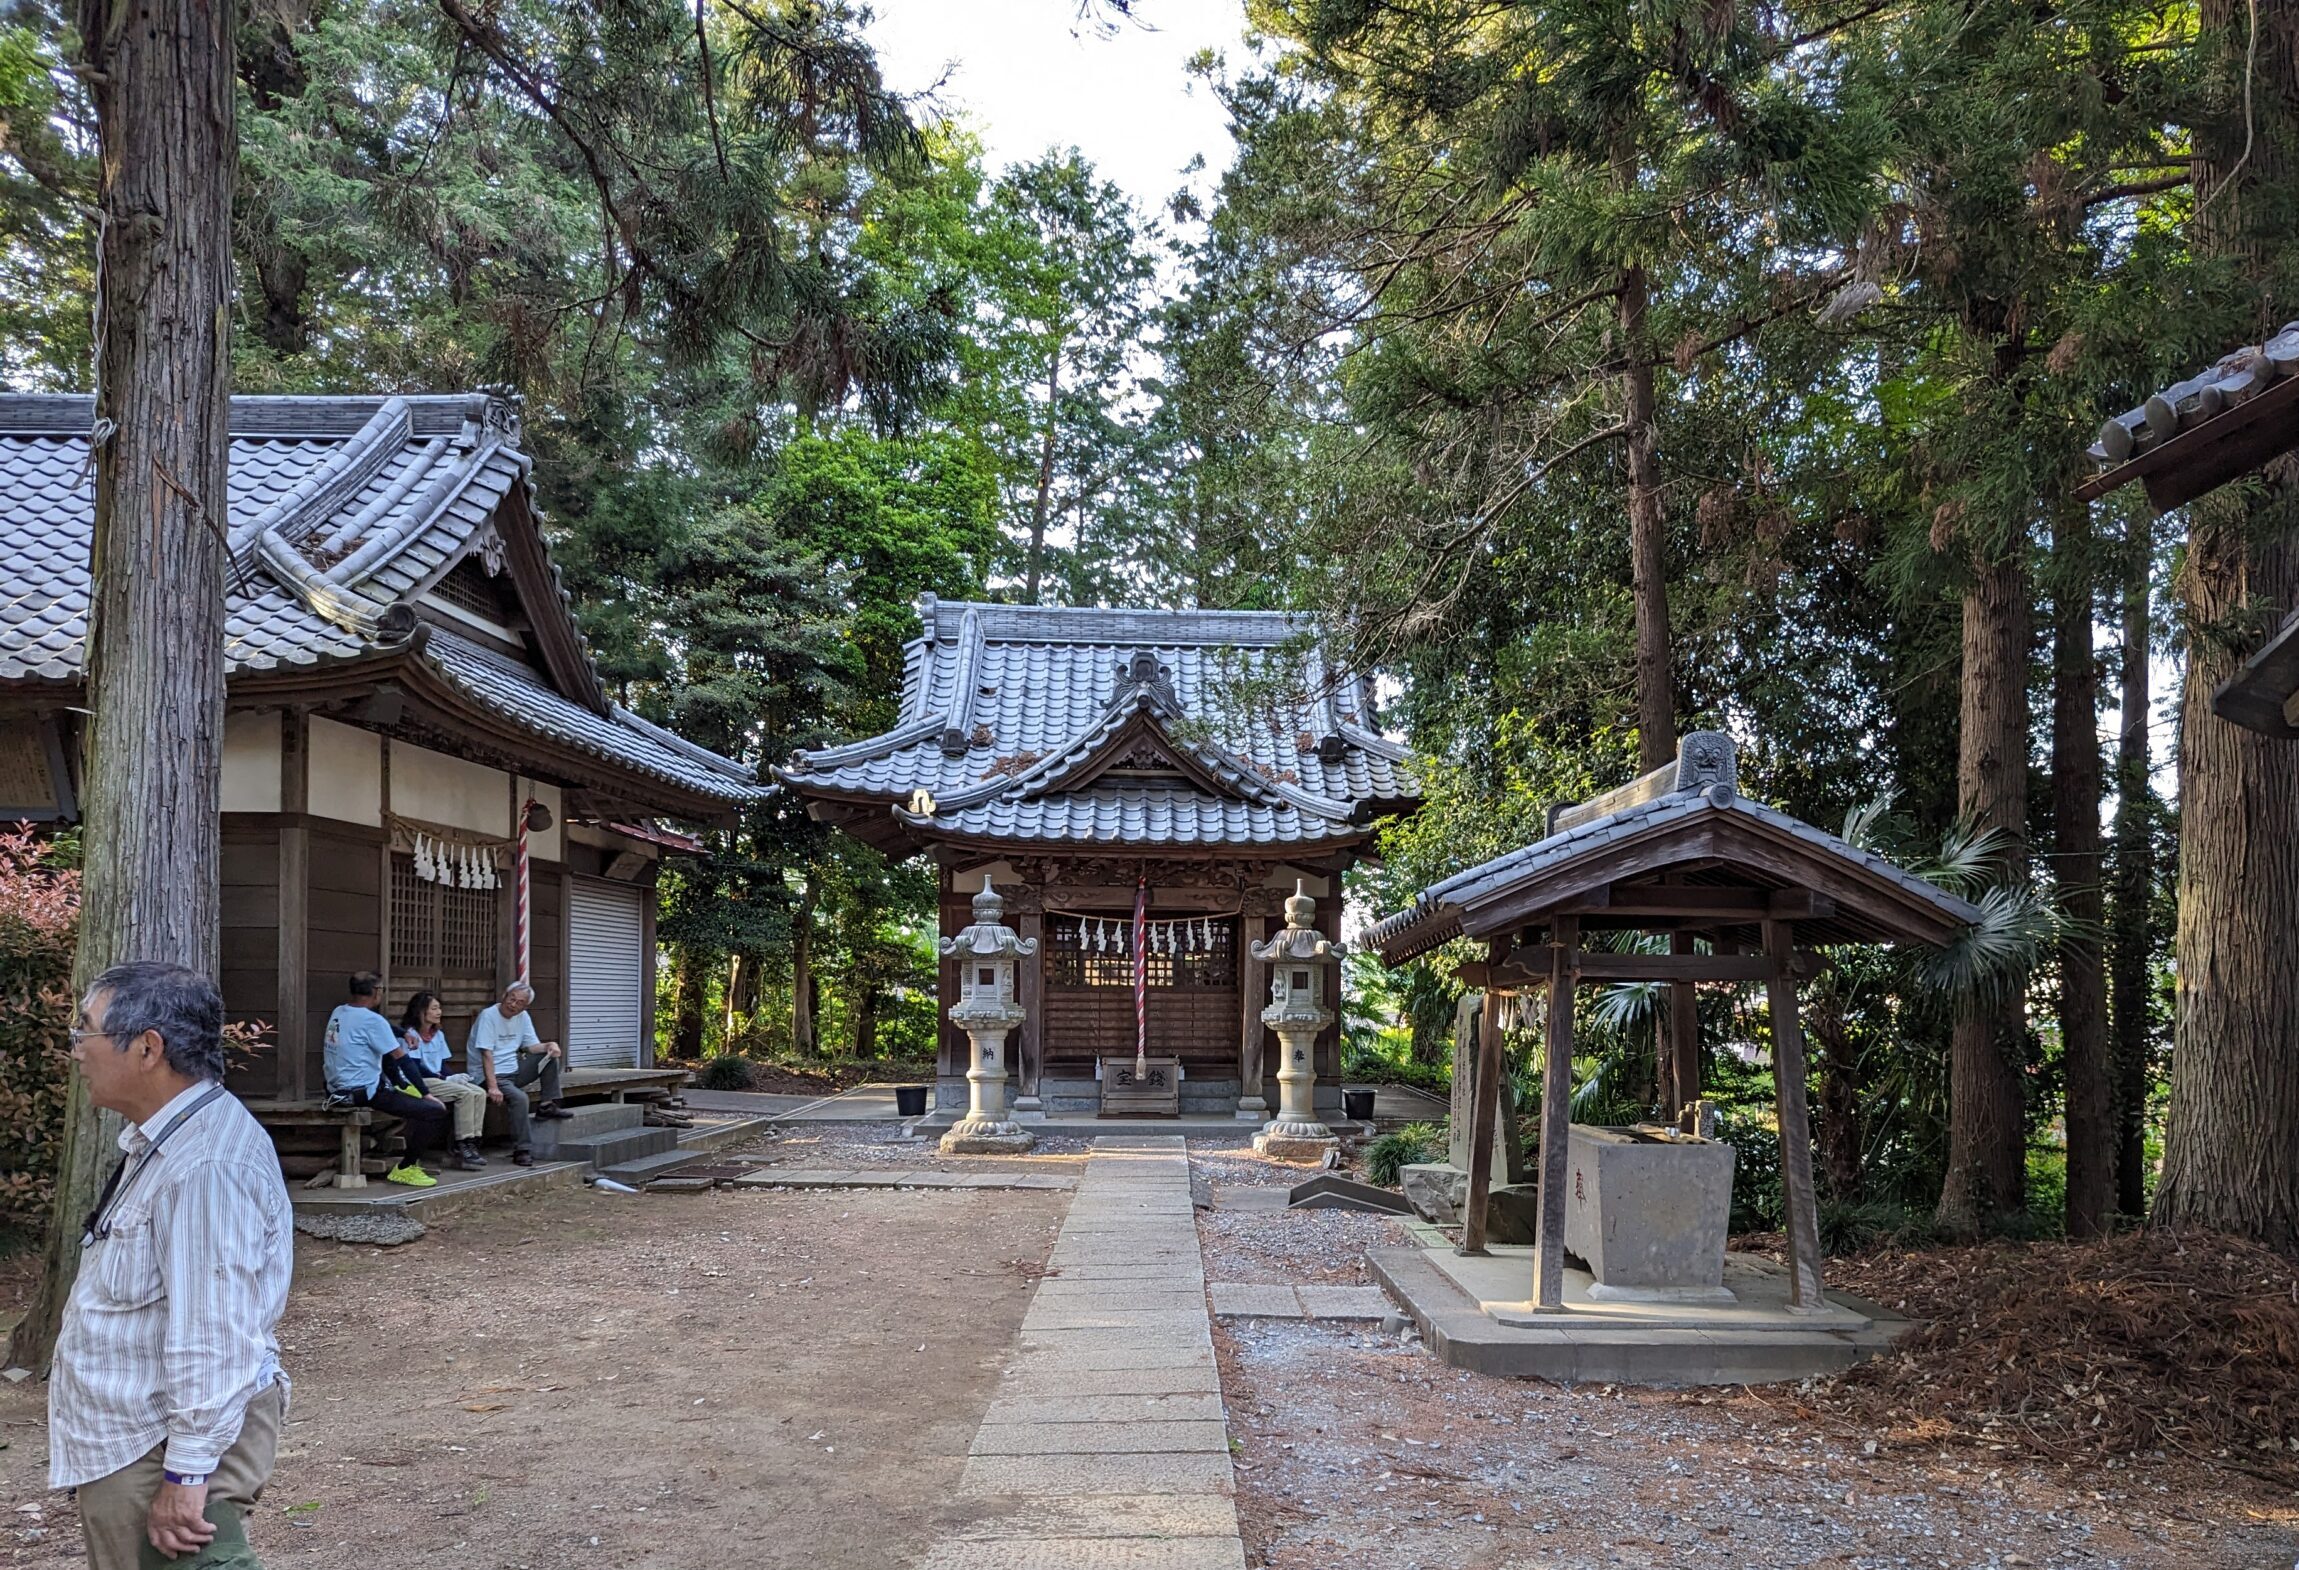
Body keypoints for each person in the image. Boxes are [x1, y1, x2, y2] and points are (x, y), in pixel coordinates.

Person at [49, 961, 293, 1570]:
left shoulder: (206, 1166)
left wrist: (187, 1475)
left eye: (87, 1031)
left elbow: (214, 1331)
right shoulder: (169, 1139)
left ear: (148, 1048)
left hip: (163, 1448)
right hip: (143, 1437)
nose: (76, 1049)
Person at [321, 972, 456, 1184]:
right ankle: (406, 1167)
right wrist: (426, 1093)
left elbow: (382, 1029)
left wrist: (403, 1033)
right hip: (363, 1093)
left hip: (335, 1090)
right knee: (435, 1111)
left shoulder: (340, 1012)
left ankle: (400, 1085)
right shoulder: (372, 1020)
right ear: (376, 992)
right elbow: (403, 1061)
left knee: (383, 1053)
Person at [466, 981, 571, 1168]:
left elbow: (531, 1047)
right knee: (521, 1098)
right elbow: (486, 1054)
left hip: (512, 1070)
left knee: (549, 1058)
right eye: (511, 998)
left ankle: (547, 1104)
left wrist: (549, 1045)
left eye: (519, 1002)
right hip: (488, 1075)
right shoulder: (488, 1016)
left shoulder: (523, 1017)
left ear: (525, 1006)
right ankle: (522, 1150)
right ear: (505, 996)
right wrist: (492, 1086)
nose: (513, 1004)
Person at [395, 991, 489, 1169]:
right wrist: (446, 1078)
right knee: (465, 1093)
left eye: (439, 1008)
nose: (439, 1012)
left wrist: (452, 1077)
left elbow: (442, 1063)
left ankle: (473, 1140)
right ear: (421, 1012)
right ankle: (461, 1144)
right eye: (434, 1008)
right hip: (417, 1081)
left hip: (437, 1079)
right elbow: (415, 1067)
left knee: (479, 1092)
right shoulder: (410, 1034)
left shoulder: (438, 1034)